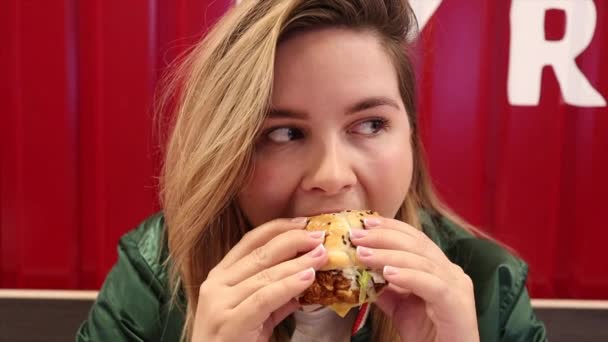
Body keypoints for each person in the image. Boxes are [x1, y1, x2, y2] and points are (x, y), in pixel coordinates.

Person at [76, 0, 547, 341]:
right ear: (228, 153)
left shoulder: (487, 287)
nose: (333, 175)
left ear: (410, 136)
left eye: (370, 124)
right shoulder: (157, 276)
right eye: (283, 133)